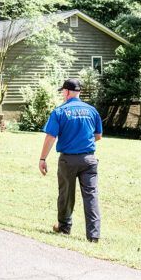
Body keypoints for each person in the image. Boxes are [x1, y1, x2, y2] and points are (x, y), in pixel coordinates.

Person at [39, 78, 102, 242]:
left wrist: (42, 158)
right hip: (89, 159)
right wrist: (82, 142)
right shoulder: (92, 111)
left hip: (68, 160)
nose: (62, 94)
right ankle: (93, 235)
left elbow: (50, 137)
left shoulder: (60, 111)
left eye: (63, 91)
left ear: (67, 92)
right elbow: (98, 135)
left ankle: (64, 227)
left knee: (66, 194)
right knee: (91, 196)